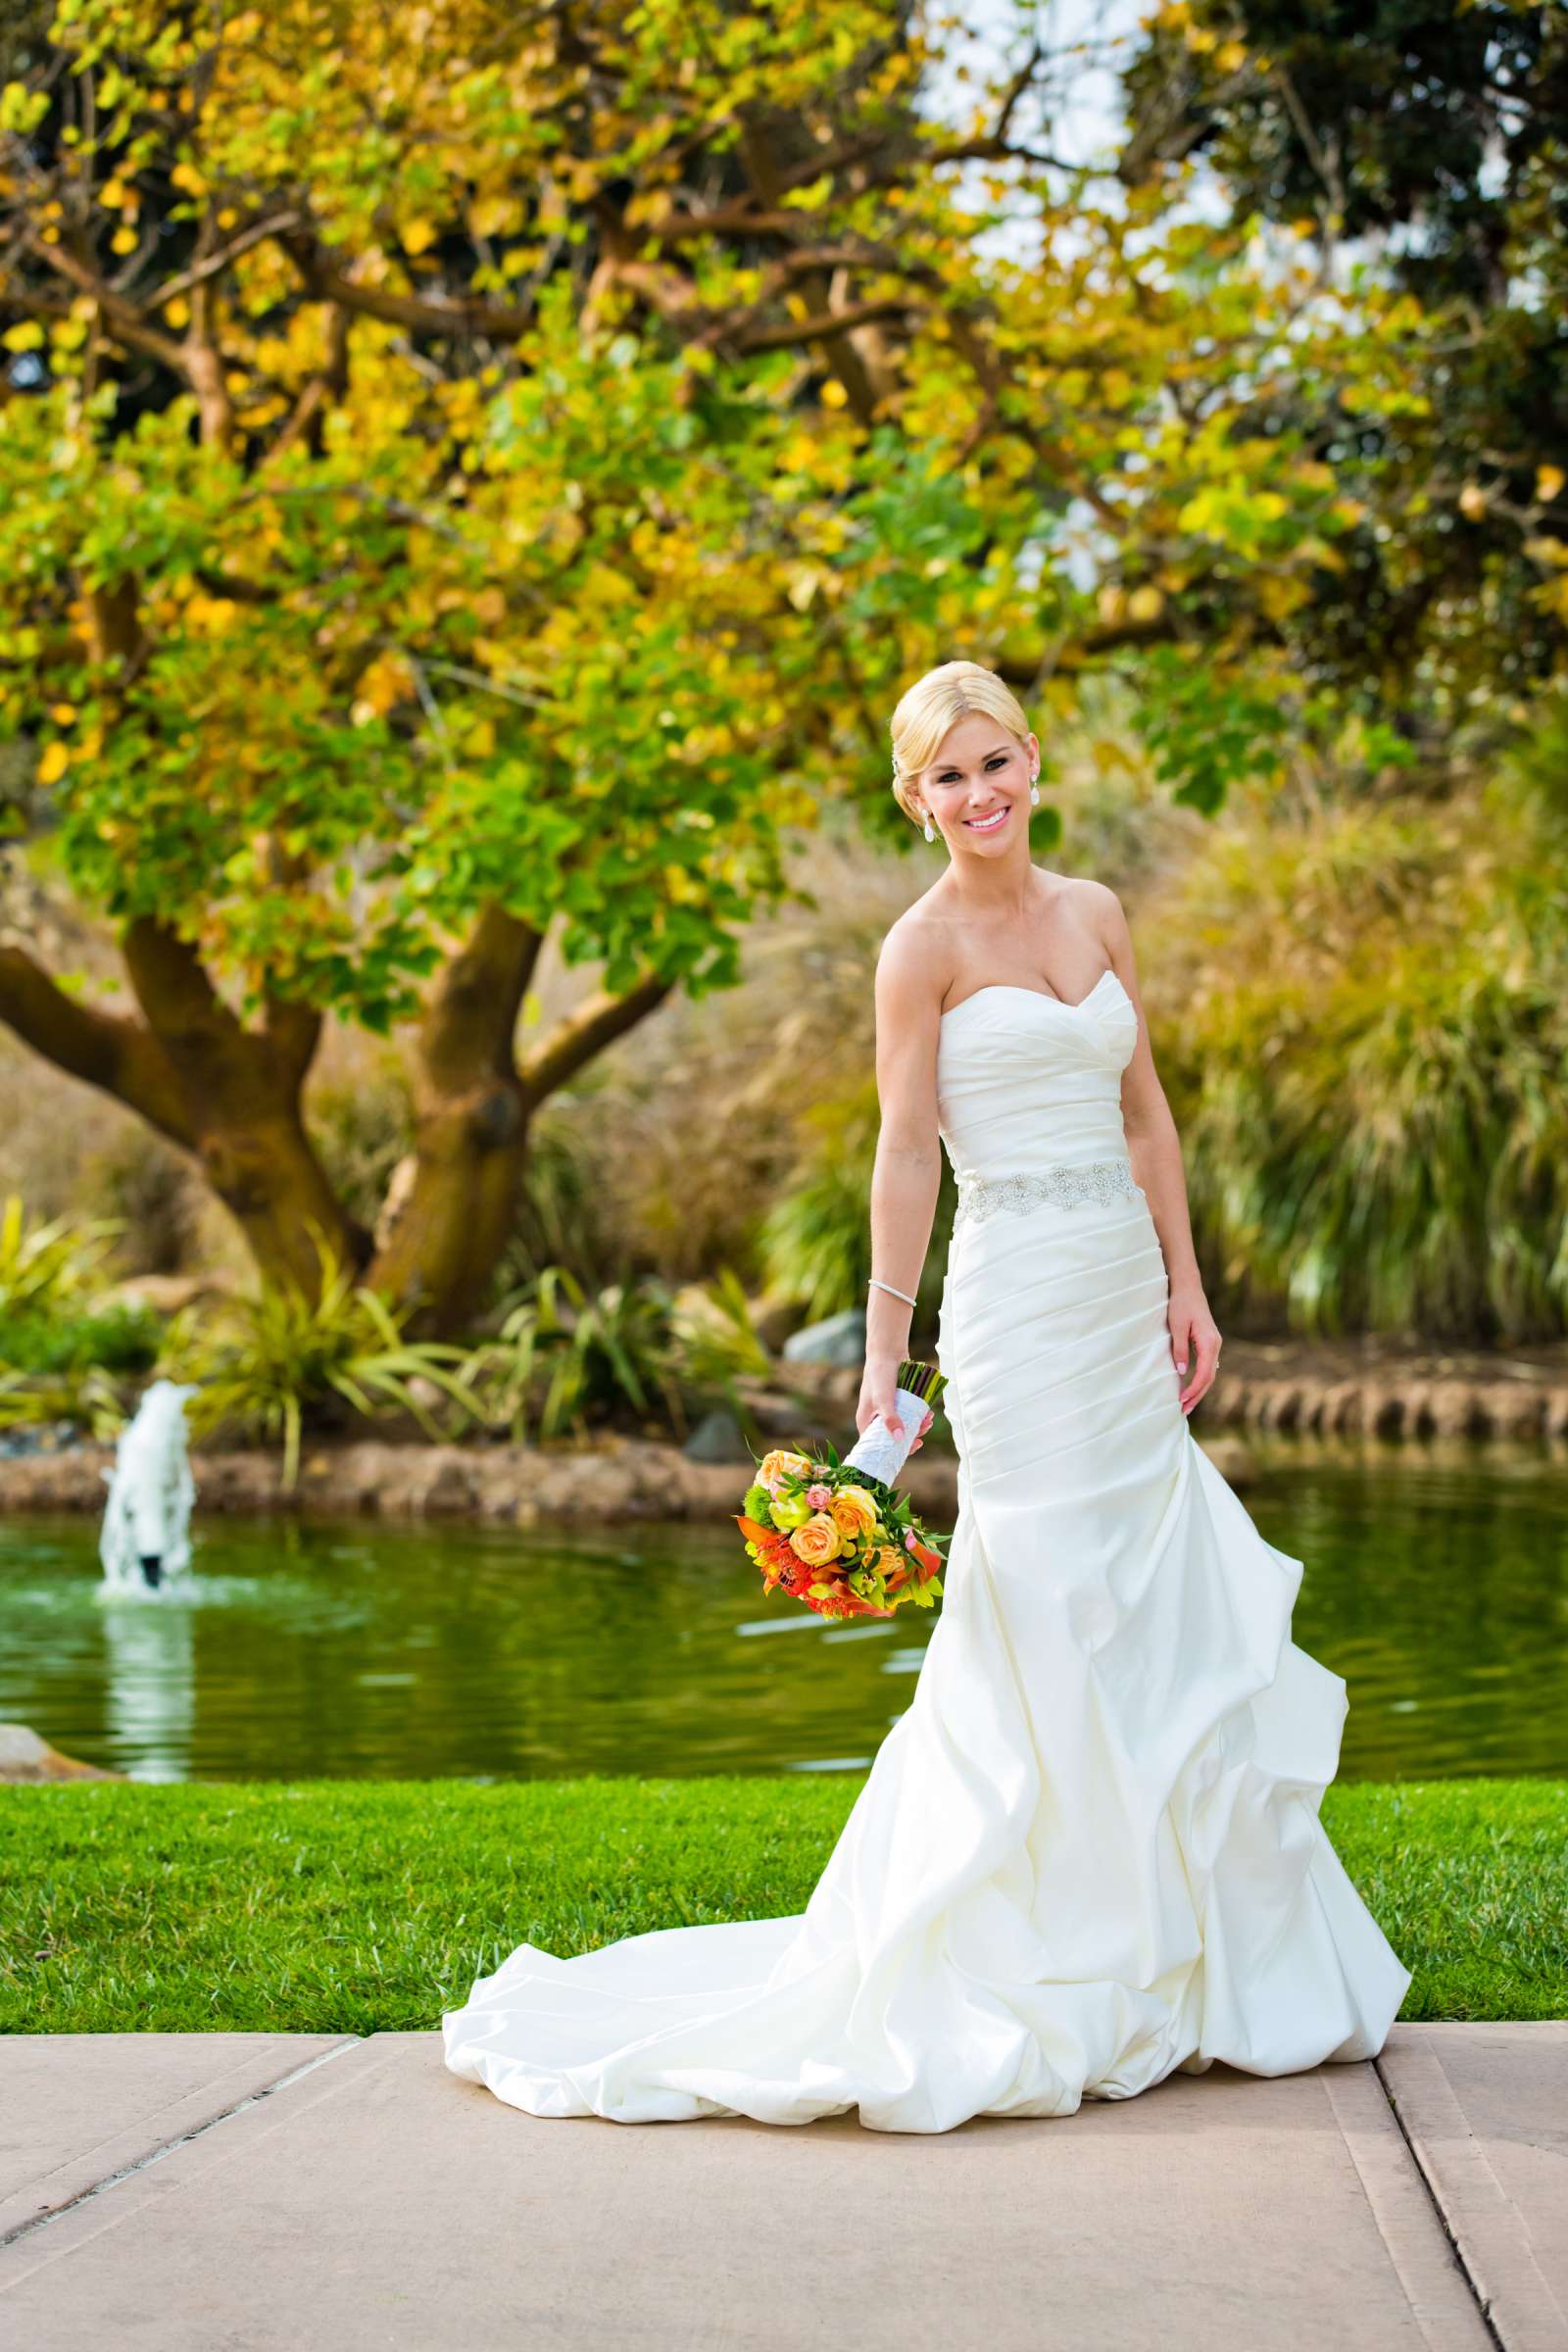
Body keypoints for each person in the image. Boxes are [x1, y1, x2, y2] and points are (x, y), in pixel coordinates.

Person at [442, 659, 1410, 2132]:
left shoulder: (1097, 915)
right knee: (1039, 1591)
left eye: (994, 763)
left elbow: (1146, 1106)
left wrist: (1189, 1283)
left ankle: (1200, 1954)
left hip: (1117, 1293)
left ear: (1035, 758)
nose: (978, 796)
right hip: (1015, 1295)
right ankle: (1032, 1940)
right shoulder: (917, 949)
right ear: (915, 797)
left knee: (1156, 1594)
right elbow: (905, 1154)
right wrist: (885, 1355)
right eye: (945, 777)